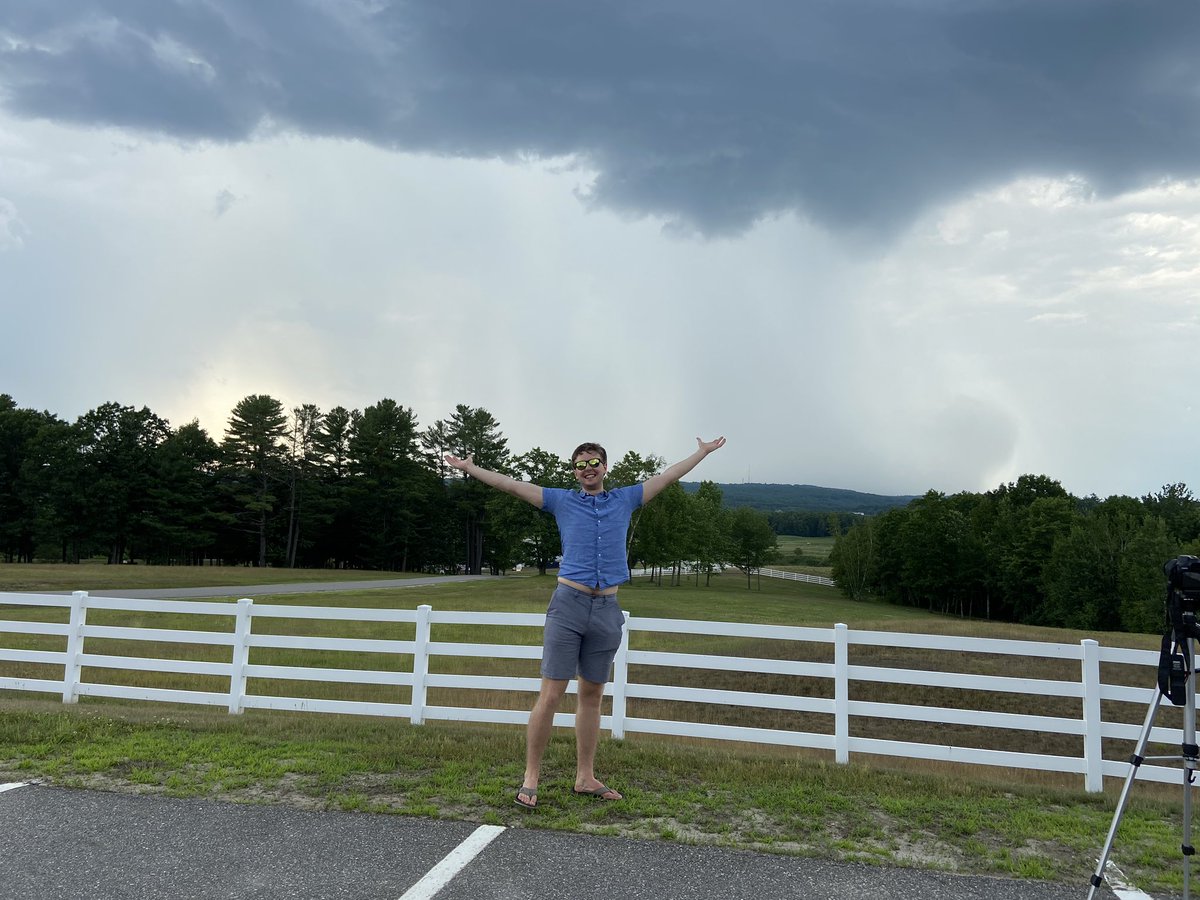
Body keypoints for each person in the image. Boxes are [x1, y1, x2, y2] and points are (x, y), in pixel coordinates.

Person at [444, 436, 726, 808]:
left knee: (592, 695)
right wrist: (469, 469)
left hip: (607, 609)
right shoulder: (561, 501)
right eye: (580, 465)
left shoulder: (625, 499)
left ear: (605, 467)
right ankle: (531, 777)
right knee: (551, 694)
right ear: (574, 471)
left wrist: (702, 453)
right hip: (568, 605)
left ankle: (585, 777)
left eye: (594, 463)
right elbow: (511, 485)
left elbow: (668, 476)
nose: (588, 469)